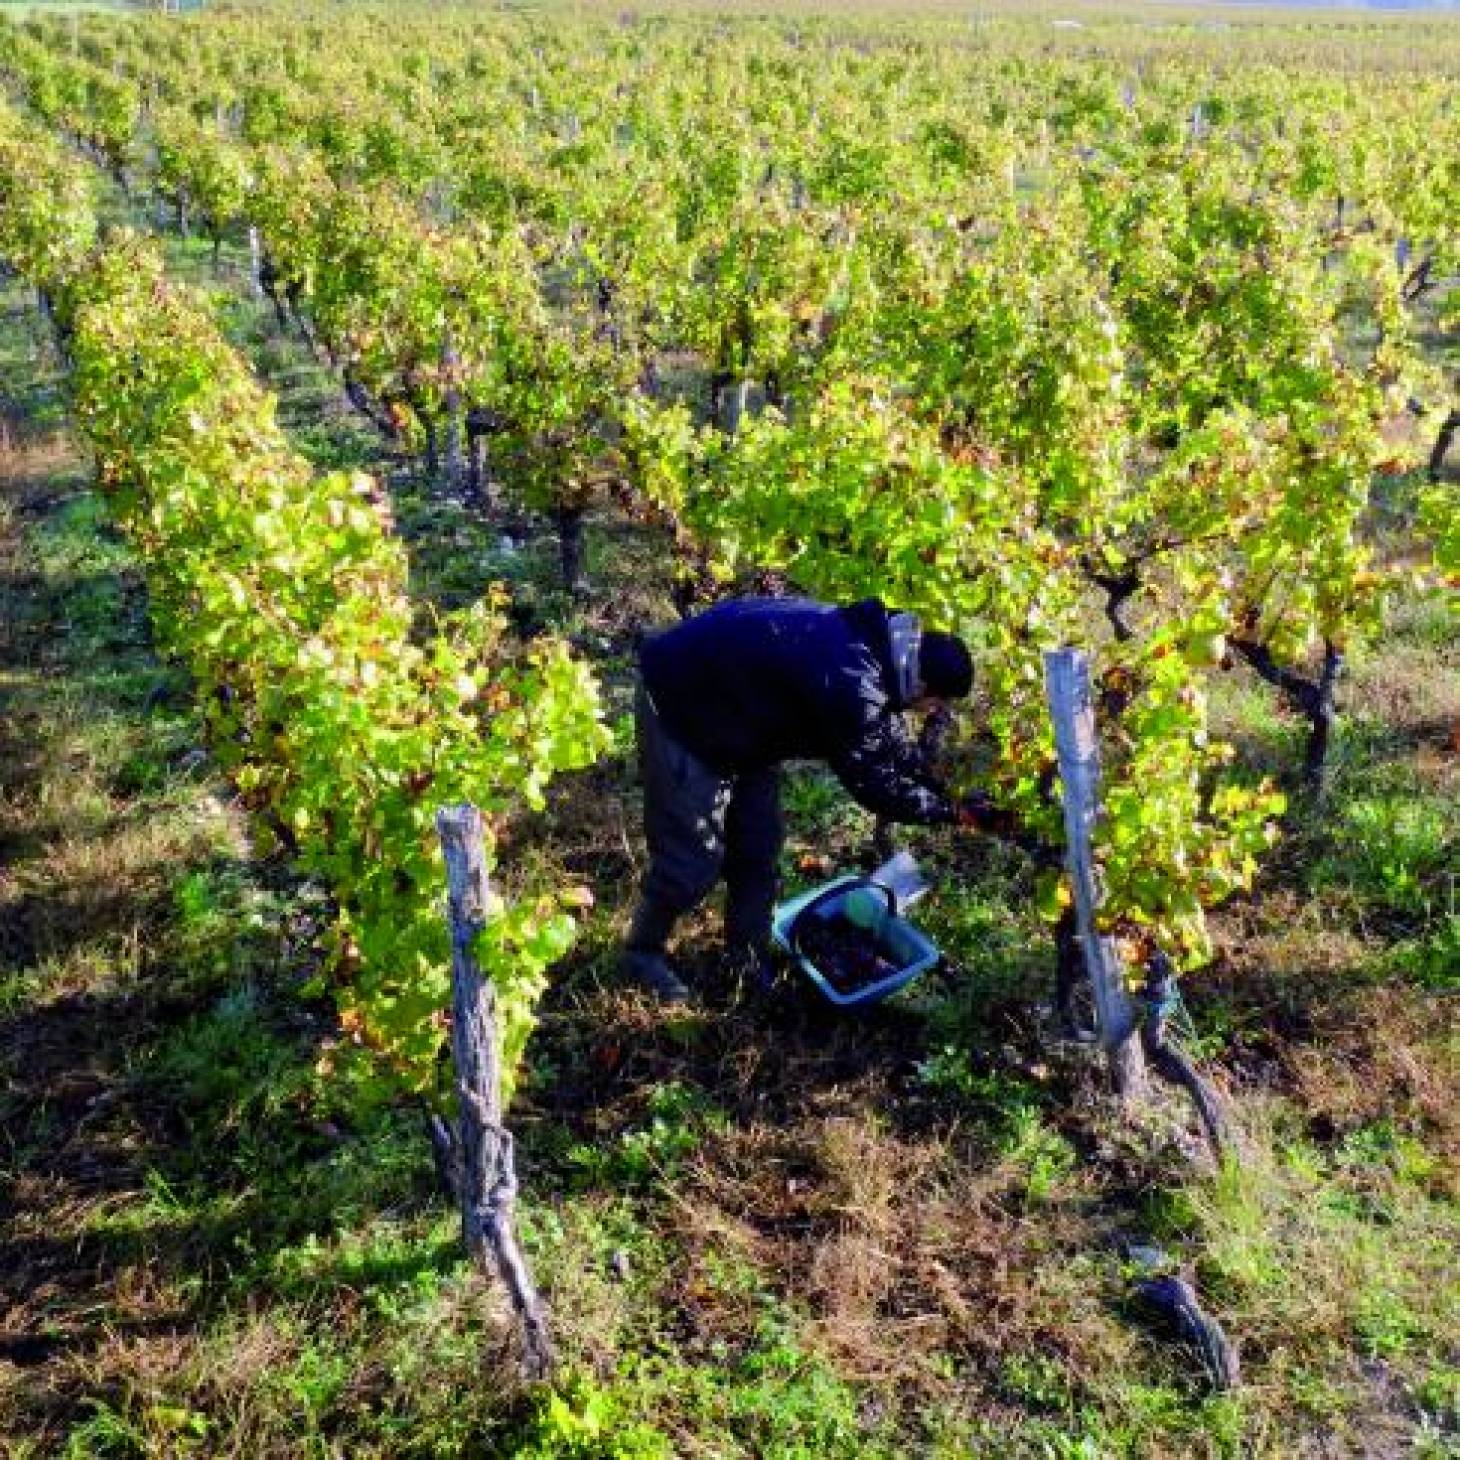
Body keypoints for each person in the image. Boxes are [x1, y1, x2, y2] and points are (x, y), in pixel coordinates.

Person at [622, 595, 1004, 1002]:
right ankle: (640, 954)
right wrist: (953, 813)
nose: (934, 711)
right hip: (682, 704)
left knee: (759, 846)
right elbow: (877, 785)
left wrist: (946, 789)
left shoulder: (883, 650)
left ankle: (745, 961)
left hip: (744, 718)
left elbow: (887, 740)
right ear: (924, 685)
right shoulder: (852, 683)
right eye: (938, 702)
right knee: (691, 864)